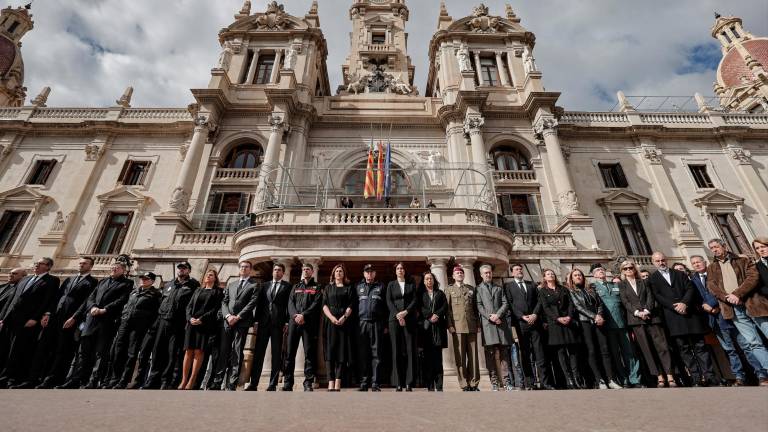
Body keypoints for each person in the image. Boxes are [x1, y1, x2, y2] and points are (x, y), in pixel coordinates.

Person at [691, 255, 765, 386]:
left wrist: (712, 304)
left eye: (699, 262)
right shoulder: (693, 279)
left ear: (704, 262)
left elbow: (720, 290)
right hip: (715, 319)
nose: (697, 264)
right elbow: (697, 298)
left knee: (747, 345)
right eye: (694, 263)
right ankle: (740, 377)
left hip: (730, 312)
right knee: (729, 349)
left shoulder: (715, 271)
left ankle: (760, 374)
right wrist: (705, 307)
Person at [58, 259, 132, 389]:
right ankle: (77, 379)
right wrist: (92, 307)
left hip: (107, 320)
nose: (114, 269)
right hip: (91, 320)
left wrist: (105, 309)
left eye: (117, 267)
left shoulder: (127, 283)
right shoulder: (102, 281)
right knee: (83, 351)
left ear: (123, 270)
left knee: (100, 353)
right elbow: (91, 297)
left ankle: (93, 380)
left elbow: (123, 299)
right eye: (113, 267)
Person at [648, 252, 715, 387]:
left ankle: (710, 377)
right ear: (653, 263)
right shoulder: (652, 279)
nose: (661, 263)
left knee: (700, 347)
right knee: (683, 349)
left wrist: (684, 303)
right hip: (673, 318)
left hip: (690, 315)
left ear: (666, 260)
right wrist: (675, 306)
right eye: (657, 261)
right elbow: (658, 296)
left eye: (662, 260)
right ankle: (695, 378)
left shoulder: (680, 274)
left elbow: (690, 289)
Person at [707, 239, 768, 386]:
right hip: (733, 308)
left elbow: (753, 278)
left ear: (724, 246)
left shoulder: (742, 260)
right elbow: (712, 286)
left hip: (754, 304)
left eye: (716, 247)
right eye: (712, 248)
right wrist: (727, 297)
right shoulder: (711, 267)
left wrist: (737, 294)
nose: (714, 250)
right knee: (753, 343)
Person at [33, 258, 98, 389]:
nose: (81, 264)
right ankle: (41, 376)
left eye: (84, 263)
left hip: (71, 320)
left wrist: (74, 317)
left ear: (90, 267)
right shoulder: (69, 279)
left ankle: (54, 379)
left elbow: (86, 302)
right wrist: (48, 313)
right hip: (56, 317)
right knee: (48, 347)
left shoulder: (93, 282)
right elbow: (57, 297)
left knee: (62, 350)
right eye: (80, 263)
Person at [0, 257, 60, 389]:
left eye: (40, 264)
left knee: (18, 349)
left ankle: (12, 378)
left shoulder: (52, 280)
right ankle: (3, 375)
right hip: (11, 319)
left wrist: (35, 318)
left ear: (48, 267)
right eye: (36, 263)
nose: (36, 265)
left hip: (28, 320)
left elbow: (47, 301)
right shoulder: (25, 279)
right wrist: (3, 318)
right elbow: (12, 299)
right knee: (5, 347)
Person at [618, 260, 674, 387]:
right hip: (636, 320)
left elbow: (650, 297)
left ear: (634, 269)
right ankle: (659, 376)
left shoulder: (644, 281)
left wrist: (647, 310)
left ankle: (670, 374)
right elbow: (625, 301)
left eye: (630, 267)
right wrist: (637, 312)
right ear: (622, 271)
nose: (628, 270)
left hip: (651, 317)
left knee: (662, 346)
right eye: (625, 268)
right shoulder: (622, 285)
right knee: (647, 349)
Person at [144, 261, 200, 389]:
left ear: (189, 271)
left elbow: (193, 305)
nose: (181, 270)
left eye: (184, 268)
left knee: (172, 352)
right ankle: (153, 379)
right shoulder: (169, 284)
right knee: (158, 350)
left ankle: (166, 380)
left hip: (178, 323)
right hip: (163, 320)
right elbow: (161, 303)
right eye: (180, 268)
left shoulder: (193, 285)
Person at [566, 268, 621, 389]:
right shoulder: (571, 291)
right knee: (591, 350)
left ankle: (611, 379)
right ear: (572, 279)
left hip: (598, 321)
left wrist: (599, 315)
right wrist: (594, 316)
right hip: (585, 322)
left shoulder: (590, 289)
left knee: (605, 349)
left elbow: (600, 304)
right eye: (575, 275)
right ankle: (599, 380)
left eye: (580, 275)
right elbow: (578, 307)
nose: (578, 277)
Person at [106, 271, 161, 389]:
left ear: (152, 281)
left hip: (138, 327)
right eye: (142, 278)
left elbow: (156, 313)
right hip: (125, 324)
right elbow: (126, 307)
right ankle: (114, 378)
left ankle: (124, 380)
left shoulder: (155, 294)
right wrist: (123, 317)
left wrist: (150, 326)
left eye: (146, 279)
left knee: (131, 354)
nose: (143, 280)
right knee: (118, 351)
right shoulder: (134, 292)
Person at [590, 263, 641, 388]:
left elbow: (625, 302)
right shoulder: (592, 288)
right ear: (593, 274)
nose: (601, 272)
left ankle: (635, 379)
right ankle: (623, 378)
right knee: (615, 355)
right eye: (598, 270)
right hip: (607, 326)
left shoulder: (616, 285)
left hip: (622, 323)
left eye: (602, 269)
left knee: (630, 353)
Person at [503, 264, 550, 390]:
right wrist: (522, 316)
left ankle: (544, 382)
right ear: (512, 272)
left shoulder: (531, 285)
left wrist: (535, 314)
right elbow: (510, 304)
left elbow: (539, 301)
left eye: (520, 269)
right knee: (525, 353)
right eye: (517, 269)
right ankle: (530, 383)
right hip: (521, 323)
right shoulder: (508, 286)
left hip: (535, 322)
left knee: (539, 352)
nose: (519, 271)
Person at [215, 261, 260, 391]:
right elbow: (224, 302)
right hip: (227, 322)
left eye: (246, 267)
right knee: (223, 351)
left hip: (242, 322)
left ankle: (232, 383)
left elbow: (252, 304)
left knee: (237, 351)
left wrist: (238, 316)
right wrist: (228, 316)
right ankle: (218, 382)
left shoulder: (254, 285)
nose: (243, 269)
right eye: (242, 267)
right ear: (239, 269)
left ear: (250, 270)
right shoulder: (231, 284)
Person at [249, 262, 291, 391]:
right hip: (263, 323)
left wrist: (287, 322)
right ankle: (253, 383)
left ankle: (272, 384)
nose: (276, 272)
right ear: (273, 271)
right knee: (258, 354)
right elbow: (259, 304)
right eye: (275, 270)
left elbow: (288, 306)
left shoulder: (287, 287)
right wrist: (256, 322)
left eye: (279, 270)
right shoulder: (264, 285)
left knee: (276, 354)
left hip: (278, 324)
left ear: (283, 273)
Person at [179, 269, 223, 390]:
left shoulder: (218, 292)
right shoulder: (198, 290)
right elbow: (189, 306)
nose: (208, 277)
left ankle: (192, 380)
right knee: (188, 351)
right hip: (191, 324)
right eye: (207, 275)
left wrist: (202, 319)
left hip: (205, 325)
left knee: (199, 352)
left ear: (215, 278)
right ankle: (184, 380)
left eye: (211, 275)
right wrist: (190, 318)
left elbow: (215, 309)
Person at [538, 269, 582, 389]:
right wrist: (557, 318)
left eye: (552, 273)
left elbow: (570, 304)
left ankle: (576, 378)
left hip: (568, 322)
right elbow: (545, 308)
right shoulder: (542, 291)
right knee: (561, 353)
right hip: (555, 324)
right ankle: (568, 380)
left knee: (573, 351)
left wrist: (569, 316)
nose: (551, 275)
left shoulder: (563, 289)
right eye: (548, 274)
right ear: (544, 278)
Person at [284, 262, 322, 391]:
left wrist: (303, 315)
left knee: (309, 354)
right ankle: (288, 383)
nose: (306, 271)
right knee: (289, 354)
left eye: (308, 269)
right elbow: (290, 303)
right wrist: (295, 315)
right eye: (304, 269)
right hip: (294, 323)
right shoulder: (295, 286)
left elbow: (316, 305)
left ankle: (308, 383)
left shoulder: (317, 287)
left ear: (312, 272)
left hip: (308, 324)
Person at [476, 264, 513, 391]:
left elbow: (505, 303)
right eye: (485, 273)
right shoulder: (478, 289)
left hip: (500, 324)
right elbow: (479, 306)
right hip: (488, 325)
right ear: (481, 275)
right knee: (490, 355)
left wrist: (498, 315)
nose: (488, 274)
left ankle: (507, 381)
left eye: (489, 272)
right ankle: (494, 382)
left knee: (504, 354)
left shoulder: (499, 287)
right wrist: (490, 316)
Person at [446, 265, 480, 391]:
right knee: (460, 356)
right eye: (457, 273)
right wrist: (449, 325)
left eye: (461, 272)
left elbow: (475, 309)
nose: (459, 274)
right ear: (453, 276)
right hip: (457, 326)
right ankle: (463, 383)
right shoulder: (449, 289)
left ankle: (474, 383)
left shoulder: (471, 289)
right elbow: (447, 310)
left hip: (471, 325)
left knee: (473, 356)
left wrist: (478, 325)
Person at [322, 264, 355, 392]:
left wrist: (344, 318)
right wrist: (331, 318)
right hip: (330, 322)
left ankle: (338, 381)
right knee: (330, 352)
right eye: (337, 271)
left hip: (344, 323)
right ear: (333, 273)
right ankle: (330, 381)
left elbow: (351, 304)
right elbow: (324, 305)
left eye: (341, 271)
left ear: (344, 274)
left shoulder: (349, 288)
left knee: (342, 352)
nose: (339, 273)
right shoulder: (328, 288)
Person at [386, 262, 418, 392]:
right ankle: (398, 382)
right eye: (398, 268)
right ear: (395, 271)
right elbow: (388, 301)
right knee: (396, 350)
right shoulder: (391, 285)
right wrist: (398, 315)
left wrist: (406, 312)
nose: (400, 270)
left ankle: (409, 382)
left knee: (410, 350)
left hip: (409, 319)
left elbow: (414, 300)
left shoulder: (411, 284)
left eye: (402, 268)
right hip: (394, 320)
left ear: (405, 271)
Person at [355, 263, 386, 391]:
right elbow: (353, 305)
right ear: (364, 274)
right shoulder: (358, 287)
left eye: (372, 272)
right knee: (363, 354)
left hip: (376, 323)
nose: (369, 274)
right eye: (367, 272)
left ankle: (375, 383)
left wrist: (384, 325)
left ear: (375, 274)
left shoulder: (381, 287)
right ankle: (363, 382)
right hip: (362, 323)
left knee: (376, 354)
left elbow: (386, 308)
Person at [418, 271, 447, 391]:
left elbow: (445, 306)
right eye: (426, 279)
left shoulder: (440, 293)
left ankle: (439, 386)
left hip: (438, 330)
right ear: (424, 281)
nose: (429, 281)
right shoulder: (420, 294)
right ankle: (429, 386)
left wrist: (437, 315)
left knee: (438, 360)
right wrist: (430, 315)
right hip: (426, 329)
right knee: (427, 360)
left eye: (431, 279)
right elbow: (420, 307)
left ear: (434, 280)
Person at [0, 268, 26, 376]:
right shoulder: (2, 287)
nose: (10, 275)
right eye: (10, 273)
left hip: (6, 323)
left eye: (14, 274)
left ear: (23, 277)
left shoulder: (20, 289)